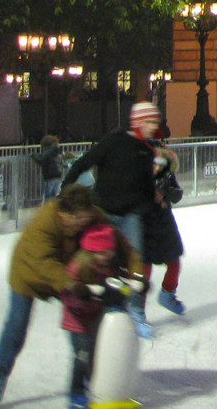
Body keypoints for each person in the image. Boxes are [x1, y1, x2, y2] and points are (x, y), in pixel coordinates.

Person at [0, 185, 112, 405]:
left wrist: (135, 272)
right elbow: (43, 263)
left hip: (67, 273)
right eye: (78, 218)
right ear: (63, 213)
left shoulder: (91, 215)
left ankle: (81, 386)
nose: (83, 223)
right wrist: (72, 284)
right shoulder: (45, 221)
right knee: (17, 327)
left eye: (86, 216)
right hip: (28, 275)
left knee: (83, 330)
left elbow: (114, 241)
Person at [61, 103, 161, 339]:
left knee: (135, 263)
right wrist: (66, 189)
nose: (154, 127)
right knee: (101, 263)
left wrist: (151, 208)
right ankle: (100, 308)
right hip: (103, 213)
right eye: (150, 122)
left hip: (131, 216)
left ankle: (136, 313)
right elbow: (83, 162)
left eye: (155, 123)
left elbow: (146, 186)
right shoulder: (114, 141)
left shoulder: (147, 151)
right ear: (138, 122)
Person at [60, 222, 138, 409]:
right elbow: (67, 296)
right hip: (77, 322)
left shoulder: (110, 266)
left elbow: (121, 282)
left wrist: (135, 283)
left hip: (97, 320)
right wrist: (85, 295)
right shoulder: (77, 268)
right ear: (90, 252)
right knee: (82, 356)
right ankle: (76, 394)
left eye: (109, 251)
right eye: (102, 252)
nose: (106, 256)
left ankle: (98, 388)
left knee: (99, 355)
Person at [144, 141, 187, 316]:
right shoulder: (140, 178)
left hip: (165, 226)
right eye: (153, 164)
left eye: (160, 165)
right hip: (146, 226)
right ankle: (138, 307)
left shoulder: (168, 177)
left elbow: (177, 194)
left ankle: (167, 294)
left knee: (174, 262)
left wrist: (165, 193)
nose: (156, 168)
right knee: (143, 267)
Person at [33, 136, 66, 200]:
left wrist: (34, 156)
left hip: (50, 175)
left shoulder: (49, 151)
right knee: (55, 195)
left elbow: (41, 160)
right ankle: (54, 208)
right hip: (58, 175)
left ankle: (48, 209)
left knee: (47, 196)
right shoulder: (58, 151)